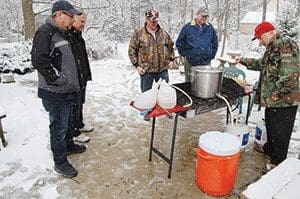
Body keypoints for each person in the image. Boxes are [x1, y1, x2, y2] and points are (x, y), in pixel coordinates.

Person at [31, 0, 86, 178]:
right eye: (70, 16)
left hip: (68, 90)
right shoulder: (45, 32)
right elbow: (39, 60)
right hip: (55, 92)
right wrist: (58, 78)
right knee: (59, 127)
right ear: (59, 15)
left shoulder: (63, 32)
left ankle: (68, 145)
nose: (73, 19)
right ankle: (60, 162)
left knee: (68, 122)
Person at [235, 21, 299, 170]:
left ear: (270, 32)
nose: (260, 41)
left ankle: (277, 162)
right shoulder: (273, 47)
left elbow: (290, 75)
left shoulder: (285, 44)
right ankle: (269, 149)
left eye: (260, 37)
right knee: (271, 124)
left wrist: (276, 95)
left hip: (284, 100)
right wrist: (243, 61)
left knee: (281, 132)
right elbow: (263, 64)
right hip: (273, 99)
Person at [128, 8, 175, 93]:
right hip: (146, 71)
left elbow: (170, 46)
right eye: (152, 21)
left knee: (164, 93)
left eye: (156, 21)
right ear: (147, 20)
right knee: (146, 95)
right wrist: (137, 66)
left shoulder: (163, 33)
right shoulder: (138, 34)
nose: (155, 23)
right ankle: (147, 106)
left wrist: (171, 60)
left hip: (162, 70)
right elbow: (132, 51)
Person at [67, 12, 93, 143]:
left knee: (80, 102)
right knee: (74, 105)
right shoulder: (69, 35)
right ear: (73, 20)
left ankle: (80, 124)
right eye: (81, 21)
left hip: (82, 75)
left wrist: (86, 74)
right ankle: (74, 132)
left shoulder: (78, 35)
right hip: (74, 78)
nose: (84, 24)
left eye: (85, 21)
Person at [176, 6, 218, 82]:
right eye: (203, 16)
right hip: (191, 62)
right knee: (189, 84)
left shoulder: (210, 28)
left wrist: (211, 55)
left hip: (206, 62)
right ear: (197, 14)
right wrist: (185, 54)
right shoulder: (188, 27)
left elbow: (215, 43)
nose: (204, 18)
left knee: (204, 84)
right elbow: (179, 43)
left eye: (206, 16)